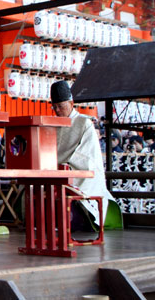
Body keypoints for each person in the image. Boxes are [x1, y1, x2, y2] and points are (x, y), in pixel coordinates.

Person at [51, 81, 121, 229]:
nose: (57, 110)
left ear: (71, 103)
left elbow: (87, 155)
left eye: (61, 106)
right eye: (54, 107)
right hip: (58, 170)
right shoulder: (55, 124)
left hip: (77, 171)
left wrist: (65, 165)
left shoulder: (84, 123)